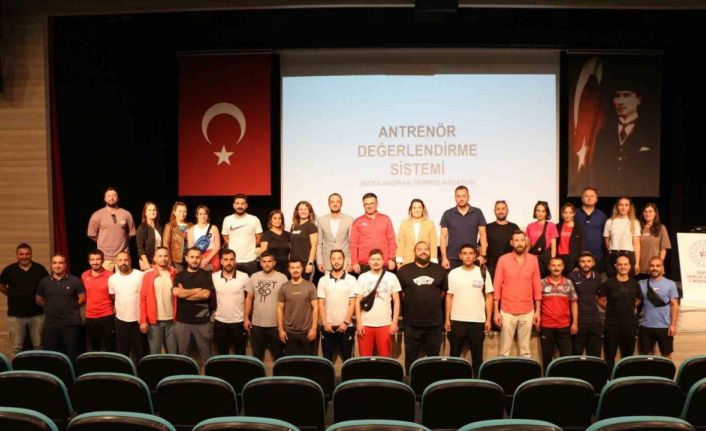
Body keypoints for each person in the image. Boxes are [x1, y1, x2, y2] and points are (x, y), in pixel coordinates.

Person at [591, 82, 660, 197]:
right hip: (608, 194)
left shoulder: (651, 133)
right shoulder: (604, 134)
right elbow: (598, 169)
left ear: (638, 100)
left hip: (640, 195)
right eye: (617, 96)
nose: (620, 101)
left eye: (626, 95)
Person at [397, 241, 447, 372]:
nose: (423, 251)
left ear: (430, 252)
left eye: (426, 249)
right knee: (411, 359)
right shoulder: (404, 270)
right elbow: (400, 295)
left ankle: (432, 383)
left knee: (433, 360)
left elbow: (443, 293)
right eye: (419, 249)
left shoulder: (440, 270)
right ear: (414, 252)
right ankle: (411, 382)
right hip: (411, 324)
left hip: (434, 324)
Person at [445, 244, 493, 376]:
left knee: (477, 358)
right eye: (465, 253)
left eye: (471, 253)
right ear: (460, 256)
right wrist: (447, 319)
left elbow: (489, 297)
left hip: (477, 321)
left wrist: (488, 319)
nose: (468, 256)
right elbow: (449, 297)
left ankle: (477, 382)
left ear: (475, 256)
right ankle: (453, 381)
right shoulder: (453, 273)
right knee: (454, 357)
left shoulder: (483, 272)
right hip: (457, 320)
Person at [493, 230, 542, 358]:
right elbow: (497, 286)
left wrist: (538, 311)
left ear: (525, 242)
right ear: (511, 242)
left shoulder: (533, 260)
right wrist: (496, 311)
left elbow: (537, 286)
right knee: (504, 351)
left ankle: (524, 371)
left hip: (527, 310)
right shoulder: (503, 260)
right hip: (507, 310)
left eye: (522, 240)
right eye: (516, 240)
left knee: (525, 351)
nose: (519, 243)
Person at [0, 243, 48, 355]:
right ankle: (15, 367)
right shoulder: (9, 270)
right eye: (21, 254)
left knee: (38, 346)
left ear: (31, 254)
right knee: (16, 348)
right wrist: (11, 294)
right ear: (17, 255)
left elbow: (47, 286)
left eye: (27, 254)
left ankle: (39, 366)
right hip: (15, 316)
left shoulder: (40, 269)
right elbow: (1, 285)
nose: (24, 257)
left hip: (37, 315)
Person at [36, 254, 85, 361]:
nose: (57, 266)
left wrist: (71, 307)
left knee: (71, 355)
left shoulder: (75, 280)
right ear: (51, 265)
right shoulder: (44, 282)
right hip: (51, 325)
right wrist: (50, 306)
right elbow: (39, 300)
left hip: (71, 324)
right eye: (55, 263)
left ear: (65, 265)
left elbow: (82, 298)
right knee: (51, 356)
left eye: (60, 263)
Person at [354, 249, 401, 357]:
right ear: (369, 261)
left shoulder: (392, 277)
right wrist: (359, 323)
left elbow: (397, 301)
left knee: (385, 358)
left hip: (385, 324)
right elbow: (357, 302)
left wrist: (394, 322)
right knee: (365, 358)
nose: (376, 262)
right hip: (365, 324)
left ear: (383, 261)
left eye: (378, 259)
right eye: (373, 259)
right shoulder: (362, 277)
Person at [599, 255, 642, 369]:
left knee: (628, 357)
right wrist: (611, 308)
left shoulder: (635, 283)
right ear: (616, 266)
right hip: (612, 325)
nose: (623, 267)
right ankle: (609, 377)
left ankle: (625, 377)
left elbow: (638, 299)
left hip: (630, 325)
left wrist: (629, 307)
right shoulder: (609, 283)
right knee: (609, 356)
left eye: (625, 264)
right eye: (620, 264)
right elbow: (600, 299)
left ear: (629, 266)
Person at [173, 247, 215, 364]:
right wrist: (196, 290)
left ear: (201, 258)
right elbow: (176, 293)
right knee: (183, 357)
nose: (195, 260)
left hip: (202, 321)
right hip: (182, 321)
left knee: (207, 357)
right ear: (186, 258)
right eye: (192, 257)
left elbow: (205, 294)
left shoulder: (206, 275)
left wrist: (184, 293)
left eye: (197, 257)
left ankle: (208, 376)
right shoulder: (179, 276)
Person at [244, 250, 288, 361]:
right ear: (260, 263)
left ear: (274, 262)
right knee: (257, 357)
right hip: (256, 325)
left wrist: (284, 323)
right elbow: (248, 299)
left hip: (275, 325)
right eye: (264, 261)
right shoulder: (254, 277)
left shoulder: (282, 278)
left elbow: (286, 302)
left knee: (279, 357)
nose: (267, 264)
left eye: (269, 261)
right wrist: (245, 318)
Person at [539, 257, 578, 370]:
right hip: (546, 326)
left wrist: (575, 323)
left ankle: (564, 379)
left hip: (564, 326)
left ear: (563, 267)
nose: (556, 268)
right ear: (549, 267)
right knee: (546, 358)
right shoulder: (542, 283)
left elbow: (574, 303)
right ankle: (547, 379)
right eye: (553, 265)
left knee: (566, 359)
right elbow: (537, 302)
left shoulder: (568, 283)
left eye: (559, 265)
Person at [317, 249, 357, 362]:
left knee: (349, 362)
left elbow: (352, 303)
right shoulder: (323, 280)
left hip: (346, 327)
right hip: (328, 327)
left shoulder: (352, 279)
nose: (336, 261)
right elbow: (321, 303)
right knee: (326, 362)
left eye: (339, 258)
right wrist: (325, 323)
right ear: (330, 260)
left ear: (344, 260)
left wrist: (346, 322)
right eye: (333, 258)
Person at [139, 246, 178, 354]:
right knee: (155, 353)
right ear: (155, 258)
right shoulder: (148, 275)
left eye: (166, 256)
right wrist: (143, 321)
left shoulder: (175, 274)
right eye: (160, 256)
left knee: (173, 353)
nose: (163, 258)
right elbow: (143, 299)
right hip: (154, 322)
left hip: (172, 321)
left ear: (169, 258)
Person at [638, 257, 679, 358]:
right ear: (648, 267)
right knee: (646, 357)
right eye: (652, 265)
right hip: (646, 325)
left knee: (666, 356)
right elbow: (635, 303)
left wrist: (673, 325)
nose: (654, 268)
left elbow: (674, 305)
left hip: (664, 326)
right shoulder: (641, 283)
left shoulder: (670, 284)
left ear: (662, 268)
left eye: (657, 266)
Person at [87, 187, 136, 271]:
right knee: (105, 279)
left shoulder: (126, 214)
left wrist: (122, 241)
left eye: (114, 195)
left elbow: (131, 233)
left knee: (124, 278)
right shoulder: (97, 215)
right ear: (105, 199)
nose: (111, 198)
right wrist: (103, 241)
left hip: (122, 257)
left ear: (118, 198)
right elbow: (91, 234)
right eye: (109, 196)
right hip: (104, 257)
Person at [440, 185, 488, 270]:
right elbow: (443, 237)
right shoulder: (447, 214)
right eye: (458, 196)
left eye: (464, 196)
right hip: (452, 258)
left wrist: (483, 255)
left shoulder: (477, 212)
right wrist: (444, 258)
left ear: (468, 197)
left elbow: (483, 235)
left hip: (472, 258)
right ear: (455, 198)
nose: (461, 199)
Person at [109, 252, 146, 361]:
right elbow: (113, 296)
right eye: (120, 260)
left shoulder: (140, 275)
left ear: (130, 261)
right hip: (121, 322)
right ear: (116, 262)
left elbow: (145, 297)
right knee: (122, 353)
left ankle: (140, 372)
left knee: (140, 353)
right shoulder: (112, 279)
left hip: (138, 321)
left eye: (126, 260)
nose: (123, 263)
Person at [212, 249, 250, 355]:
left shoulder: (244, 276)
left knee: (240, 355)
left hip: (239, 322)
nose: (228, 262)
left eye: (231, 259)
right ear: (221, 261)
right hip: (220, 322)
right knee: (222, 355)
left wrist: (246, 318)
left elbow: (249, 298)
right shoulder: (214, 277)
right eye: (225, 259)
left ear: (235, 261)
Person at [277, 260, 318, 355]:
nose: (295, 270)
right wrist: (280, 330)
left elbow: (316, 308)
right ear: (289, 270)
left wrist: (314, 328)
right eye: (292, 268)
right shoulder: (284, 287)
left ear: (302, 269)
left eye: (297, 267)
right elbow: (279, 309)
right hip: (288, 333)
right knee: (291, 362)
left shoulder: (310, 286)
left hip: (306, 332)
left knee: (307, 361)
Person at [350, 193, 396, 274]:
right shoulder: (358, 221)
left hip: (383, 263)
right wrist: (354, 262)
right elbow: (353, 244)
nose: (369, 206)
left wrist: (392, 259)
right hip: (363, 264)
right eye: (366, 204)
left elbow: (391, 240)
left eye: (372, 203)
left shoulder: (386, 219)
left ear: (377, 204)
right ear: (363, 205)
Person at [568, 252, 603, 357]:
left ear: (593, 263)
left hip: (595, 321)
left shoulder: (597, 277)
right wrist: (574, 322)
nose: (586, 264)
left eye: (588, 261)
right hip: (579, 321)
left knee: (595, 356)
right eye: (583, 261)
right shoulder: (572, 277)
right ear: (579, 263)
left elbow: (598, 296)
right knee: (576, 355)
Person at [221, 194, 263, 276]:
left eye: (242, 203)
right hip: (233, 260)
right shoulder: (227, 219)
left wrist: (249, 247)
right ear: (233, 205)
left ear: (246, 205)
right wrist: (234, 246)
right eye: (237, 203)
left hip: (250, 260)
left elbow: (259, 238)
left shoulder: (254, 219)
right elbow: (225, 238)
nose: (240, 206)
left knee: (252, 283)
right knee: (234, 283)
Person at [81, 249, 115, 352]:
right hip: (90, 316)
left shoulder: (111, 275)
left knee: (110, 347)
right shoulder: (84, 275)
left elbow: (115, 295)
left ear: (103, 260)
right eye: (92, 259)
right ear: (89, 261)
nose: (95, 262)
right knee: (94, 348)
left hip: (107, 315)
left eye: (98, 259)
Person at [604, 196, 641, 277]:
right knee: (612, 281)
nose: (623, 207)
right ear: (617, 206)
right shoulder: (609, 222)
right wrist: (613, 252)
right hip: (612, 255)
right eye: (621, 205)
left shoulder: (634, 222)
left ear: (630, 207)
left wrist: (637, 263)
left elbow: (636, 244)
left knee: (627, 282)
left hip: (628, 255)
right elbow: (607, 241)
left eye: (626, 205)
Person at [317, 193, 354, 273]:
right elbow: (319, 243)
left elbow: (351, 242)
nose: (335, 204)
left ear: (341, 204)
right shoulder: (321, 220)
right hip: (327, 261)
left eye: (338, 201)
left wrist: (350, 261)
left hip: (344, 261)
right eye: (332, 202)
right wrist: (319, 262)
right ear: (329, 204)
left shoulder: (349, 219)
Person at [574, 187, 608, 273]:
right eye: (587, 196)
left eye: (592, 196)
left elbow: (605, 236)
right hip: (578, 256)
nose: (589, 198)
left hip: (597, 256)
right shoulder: (574, 214)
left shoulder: (602, 215)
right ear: (582, 198)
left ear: (596, 199)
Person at [396, 199, 438, 267]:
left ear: (423, 210)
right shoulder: (404, 223)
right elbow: (401, 242)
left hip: (424, 260)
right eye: (414, 208)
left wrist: (433, 260)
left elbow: (433, 243)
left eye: (419, 207)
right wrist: (399, 261)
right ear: (411, 210)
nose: (417, 210)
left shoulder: (430, 223)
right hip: (407, 260)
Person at [485, 200, 519, 279]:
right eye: (498, 209)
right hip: (491, 268)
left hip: (510, 266)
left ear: (507, 211)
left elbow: (521, 243)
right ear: (494, 211)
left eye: (503, 209)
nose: (500, 211)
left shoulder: (514, 227)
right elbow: (481, 245)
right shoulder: (488, 227)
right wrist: (483, 264)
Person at [638, 203, 671, 280]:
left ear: (655, 213)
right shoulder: (638, 227)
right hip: (640, 268)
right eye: (645, 211)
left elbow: (663, 249)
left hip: (655, 268)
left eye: (650, 211)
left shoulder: (661, 228)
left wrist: (659, 265)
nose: (647, 214)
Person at [526, 201, 558, 278]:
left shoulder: (551, 225)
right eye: (538, 210)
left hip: (546, 259)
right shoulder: (530, 226)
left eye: (543, 211)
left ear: (546, 213)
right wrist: (523, 257)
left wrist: (553, 261)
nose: (540, 213)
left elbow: (553, 246)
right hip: (533, 258)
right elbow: (529, 245)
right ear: (535, 212)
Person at [290, 201, 318, 281]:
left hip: (305, 263)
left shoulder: (311, 226)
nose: (303, 211)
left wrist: (310, 263)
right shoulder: (293, 227)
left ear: (309, 212)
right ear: (297, 212)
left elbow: (314, 246)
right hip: (294, 264)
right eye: (301, 209)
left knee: (305, 287)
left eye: (306, 209)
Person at [188, 205, 222, 272]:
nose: (203, 216)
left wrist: (207, 259)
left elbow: (218, 246)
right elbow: (191, 248)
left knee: (214, 277)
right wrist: (199, 259)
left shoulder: (214, 228)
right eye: (200, 214)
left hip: (213, 257)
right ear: (196, 215)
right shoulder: (192, 230)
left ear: (207, 215)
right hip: (198, 258)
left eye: (205, 214)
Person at [556, 203, 585, 274]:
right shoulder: (557, 227)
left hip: (573, 259)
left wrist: (578, 265)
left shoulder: (579, 228)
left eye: (570, 213)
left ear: (574, 214)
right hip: (560, 258)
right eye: (565, 212)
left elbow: (582, 247)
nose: (567, 215)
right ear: (562, 214)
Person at [260, 210, 291, 275]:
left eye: (280, 218)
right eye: (275, 218)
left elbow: (291, 253)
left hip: (286, 269)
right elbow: (263, 255)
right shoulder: (266, 235)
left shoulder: (288, 235)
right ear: (270, 220)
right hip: (272, 269)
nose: (277, 220)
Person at [163, 201, 191, 271]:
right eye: (180, 211)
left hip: (190, 260)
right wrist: (169, 262)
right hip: (176, 261)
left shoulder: (190, 226)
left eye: (184, 211)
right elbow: (166, 244)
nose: (182, 214)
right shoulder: (170, 226)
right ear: (174, 212)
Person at [136, 202, 163, 271]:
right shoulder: (142, 228)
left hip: (159, 261)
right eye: (149, 210)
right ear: (145, 213)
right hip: (147, 261)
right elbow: (140, 248)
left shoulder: (159, 227)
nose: (152, 212)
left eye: (154, 210)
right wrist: (146, 263)